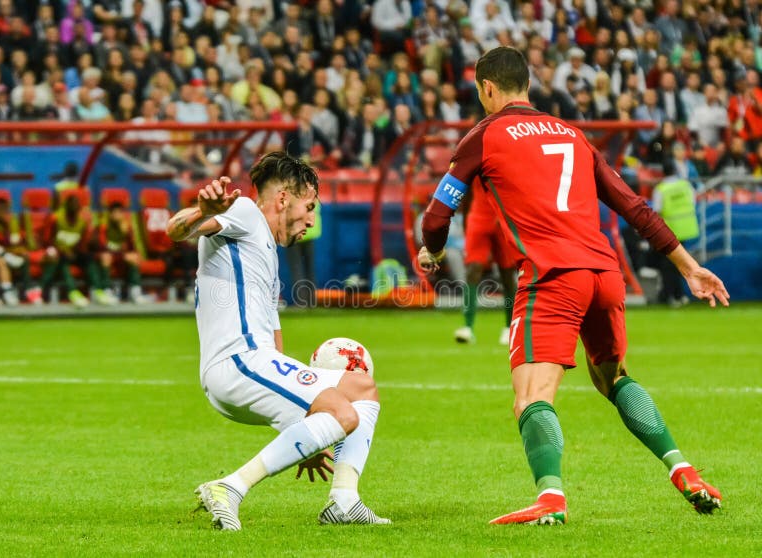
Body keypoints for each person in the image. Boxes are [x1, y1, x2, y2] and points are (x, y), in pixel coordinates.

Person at [419, 47, 728, 525]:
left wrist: (434, 252)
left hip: (552, 276)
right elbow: (635, 208)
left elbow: (437, 216)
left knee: (531, 396)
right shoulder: (573, 135)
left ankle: (551, 497)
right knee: (613, 377)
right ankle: (682, 469)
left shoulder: (484, 135)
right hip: (604, 275)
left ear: (487, 89)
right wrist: (689, 267)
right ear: (528, 84)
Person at [166, 152, 389, 530]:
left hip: (254, 366)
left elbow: (275, 347)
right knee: (343, 413)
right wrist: (200, 210)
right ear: (283, 199)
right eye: (310, 207)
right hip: (237, 363)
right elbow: (177, 230)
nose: (312, 220)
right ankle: (230, 487)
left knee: (361, 389)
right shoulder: (246, 213)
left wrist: (302, 426)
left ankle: (344, 500)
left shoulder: (266, 257)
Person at [454, 176, 518, 346]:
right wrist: (467, 221)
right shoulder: (475, 153)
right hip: (479, 216)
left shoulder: (507, 155)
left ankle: (509, 327)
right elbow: (465, 189)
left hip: (503, 217)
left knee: (507, 273)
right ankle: (467, 327)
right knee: (473, 269)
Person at [652, 161, 700, 307]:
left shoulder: (661, 189)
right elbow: (693, 202)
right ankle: (680, 294)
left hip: (670, 232)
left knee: (669, 265)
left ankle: (670, 295)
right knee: (682, 263)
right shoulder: (686, 185)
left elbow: (657, 211)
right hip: (687, 229)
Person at [97, 202, 153, 304]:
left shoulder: (126, 227)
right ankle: (106, 291)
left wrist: (126, 233)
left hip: (120, 256)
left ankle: (135, 292)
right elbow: (101, 247)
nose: (117, 215)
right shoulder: (104, 227)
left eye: (120, 212)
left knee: (134, 257)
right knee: (106, 257)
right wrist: (120, 254)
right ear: (110, 214)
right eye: (115, 213)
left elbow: (131, 248)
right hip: (108, 256)